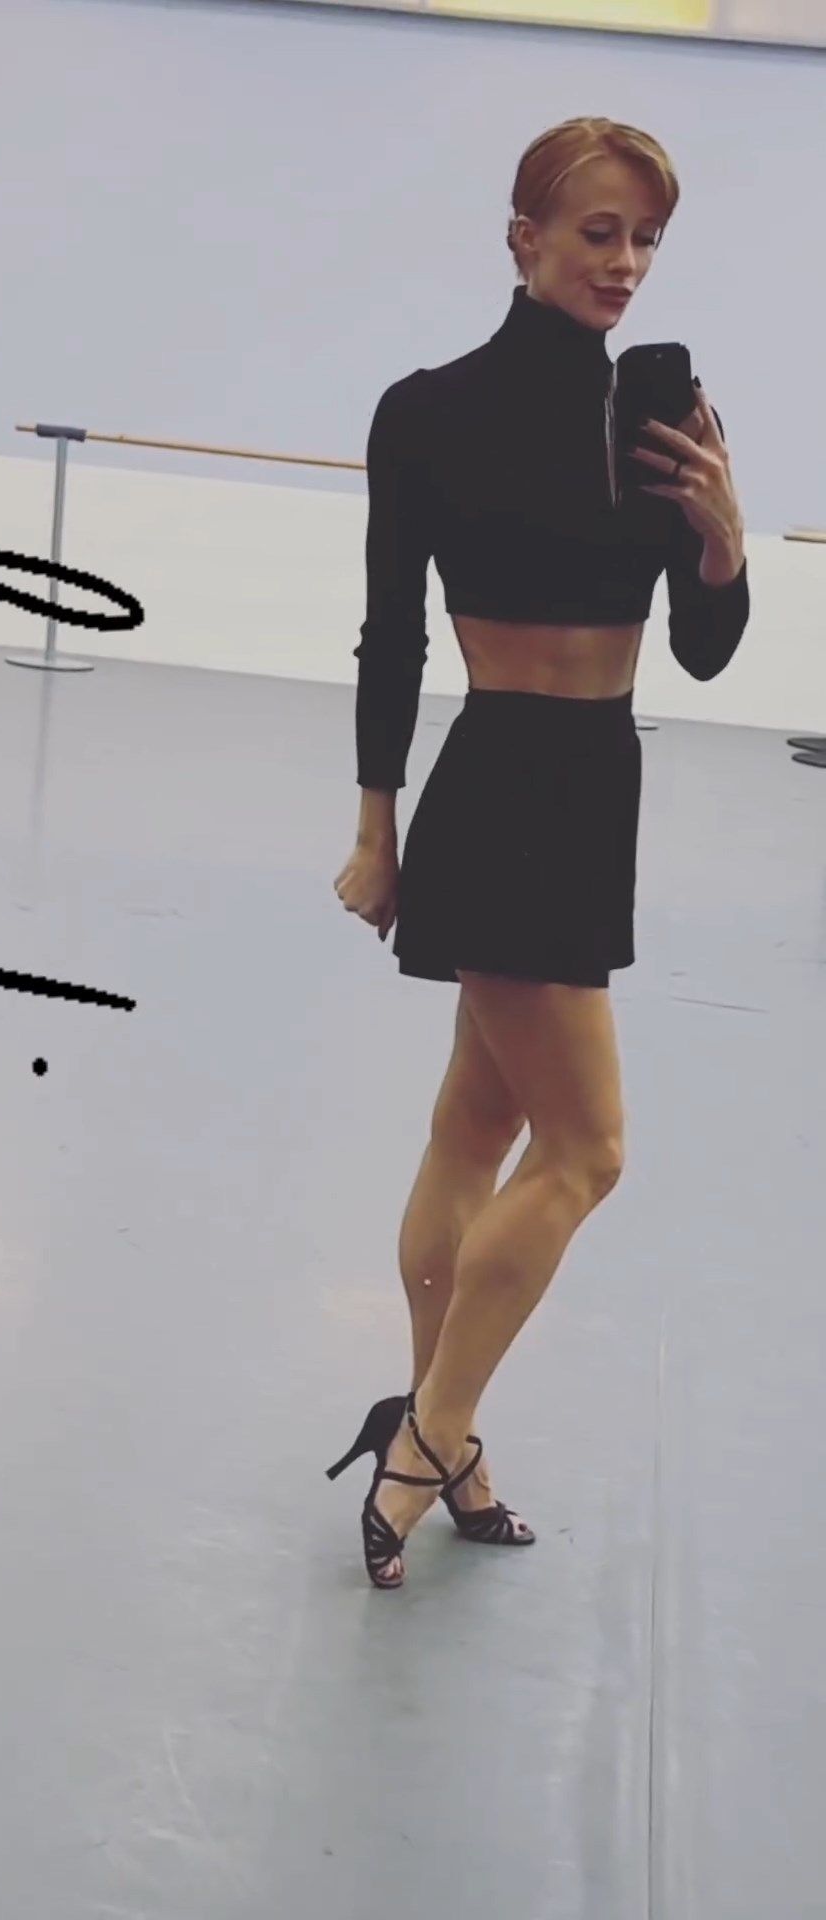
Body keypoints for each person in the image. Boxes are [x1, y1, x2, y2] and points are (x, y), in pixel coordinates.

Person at [329, 117, 749, 1590]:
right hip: (498, 789)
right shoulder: (425, 411)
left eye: (646, 239)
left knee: (475, 1127)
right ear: (523, 237)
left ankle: (442, 1434)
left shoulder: (664, 414)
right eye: (597, 232)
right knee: (587, 1151)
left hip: (597, 785)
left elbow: (704, 650)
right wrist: (375, 828)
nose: (625, 263)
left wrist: (723, 541)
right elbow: (389, 633)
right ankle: (431, 1431)